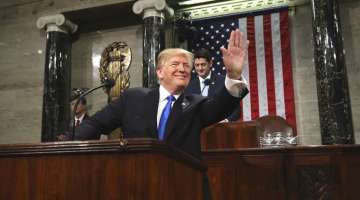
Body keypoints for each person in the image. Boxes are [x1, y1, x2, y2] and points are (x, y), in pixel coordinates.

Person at [75, 29, 248, 159]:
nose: (182, 69)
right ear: (159, 72)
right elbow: (95, 124)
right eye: (175, 64)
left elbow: (221, 106)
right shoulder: (132, 98)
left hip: (184, 186)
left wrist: (233, 75)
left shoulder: (195, 104)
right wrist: (63, 143)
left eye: (186, 66)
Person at [185, 48, 241, 122]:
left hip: (221, 129)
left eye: (203, 64)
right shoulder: (189, 86)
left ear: (210, 63)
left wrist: (226, 120)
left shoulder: (223, 82)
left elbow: (236, 110)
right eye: (197, 65)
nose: (200, 68)